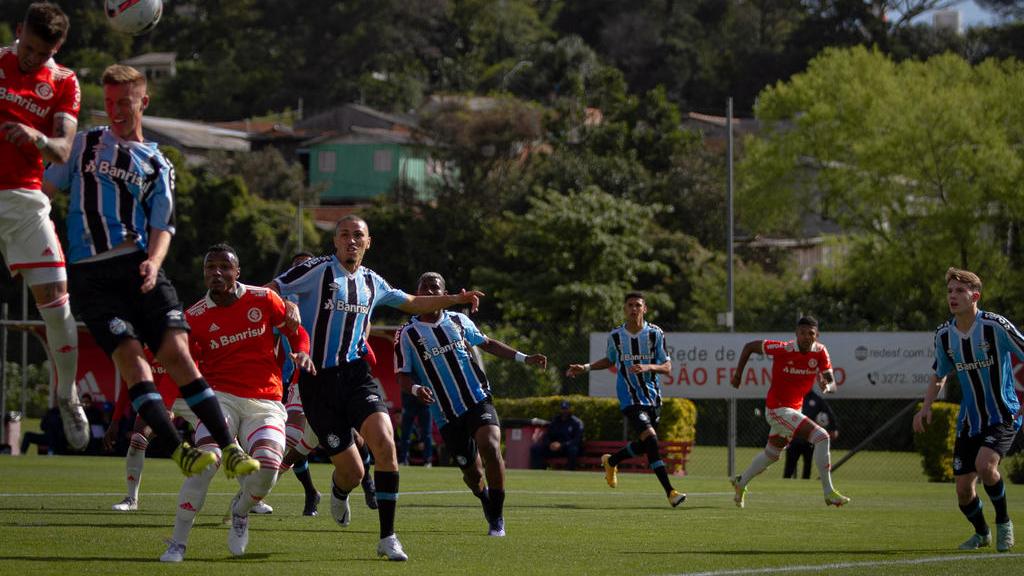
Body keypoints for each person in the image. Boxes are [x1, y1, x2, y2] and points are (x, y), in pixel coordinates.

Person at [43, 64, 260, 479]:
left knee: (177, 356)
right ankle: (179, 451)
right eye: (108, 103)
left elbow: (164, 226)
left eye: (123, 102)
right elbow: (45, 194)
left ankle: (230, 448)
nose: (115, 111)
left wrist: (154, 262)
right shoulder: (84, 145)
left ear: (144, 101)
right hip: (91, 277)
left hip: (139, 267)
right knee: (131, 360)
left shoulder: (158, 163)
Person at [269, 215, 484, 561]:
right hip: (318, 382)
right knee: (351, 472)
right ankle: (340, 491)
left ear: (368, 242)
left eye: (358, 236)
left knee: (385, 445)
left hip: (356, 375)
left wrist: (454, 299)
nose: (351, 241)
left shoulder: (373, 281)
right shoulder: (316, 270)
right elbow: (271, 290)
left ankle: (388, 537)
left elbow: (413, 302)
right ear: (335, 242)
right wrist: (288, 303)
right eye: (344, 235)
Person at [160, 244, 314, 562]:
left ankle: (241, 509)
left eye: (224, 267)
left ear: (237, 272)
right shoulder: (195, 317)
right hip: (220, 398)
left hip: (266, 400)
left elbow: (296, 332)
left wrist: (302, 350)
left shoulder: (263, 299)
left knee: (269, 469)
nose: (216, 273)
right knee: (207, 462)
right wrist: (163, 404)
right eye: (210, 267)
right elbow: (179, 365)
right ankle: (177, 543)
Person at [395, 272, 547, 537]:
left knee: (490, 445)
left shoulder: (458, 320)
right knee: (473, 475)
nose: (430, 292)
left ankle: (497, 518)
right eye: (425, 288)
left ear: (444, 293)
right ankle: (485, 499)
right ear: (417, 293)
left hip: (477, 399)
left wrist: (524, 358)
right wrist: (416, 388)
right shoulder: (407, 334)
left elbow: (487, 343)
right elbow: (402, 375)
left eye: (435, 287)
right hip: (445, 413)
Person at [0, 2, 88, 451]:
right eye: (28, 47)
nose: (32, 58)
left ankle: (67, 393)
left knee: (56, 302)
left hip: (24, 200)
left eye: (42, 52)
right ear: (18, 31)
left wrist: (35, 137)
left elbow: (63, 150)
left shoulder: (63, 82)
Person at [913, 267, 1021, 553]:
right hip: (970, 421)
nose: (953, 296)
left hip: (1002, 414)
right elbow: (939, 373)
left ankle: (1004, 523)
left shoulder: (994, 326)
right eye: (949, 291)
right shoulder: (944, 335)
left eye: (959, 290)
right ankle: (982, 532)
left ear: (975, 296)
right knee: (963, 491)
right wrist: (926, 407)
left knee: (987, 467)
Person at [276, 251, 377, 516]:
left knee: (353, 434)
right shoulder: (285, 301)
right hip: (295, 380)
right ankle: (309, 491)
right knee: (298, 440)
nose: (303, 271)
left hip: (330, 375)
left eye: (307, 266)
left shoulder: (327, 294)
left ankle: (365, 480)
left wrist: (357, 343)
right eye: (298, 268)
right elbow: (273, 337)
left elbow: (359, 320)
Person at [565, 292, 686, 508]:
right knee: (651, 439)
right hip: (629, 398)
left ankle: (611, 461)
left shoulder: (655, 334)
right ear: (624, 309)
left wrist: (649, 366)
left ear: (644, 309)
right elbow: (609, 360)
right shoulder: (616, 336)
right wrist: (585, 367)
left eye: (637, 305)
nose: (633, 309)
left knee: (643, 445)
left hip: (653, 397)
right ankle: (671, 492)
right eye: (629, 305)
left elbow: (667, 367)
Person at [729, 316, 848, 509]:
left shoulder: (820, 352)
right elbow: (750, 346)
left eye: (811, 333)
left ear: (816, 335)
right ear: (796, 334)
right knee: (822, 436)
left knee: (772, 455)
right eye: (802, 333)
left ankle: (740, 483)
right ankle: (829, 492)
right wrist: (737, 375)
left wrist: (826, 386)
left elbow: (831, 383)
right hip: (777, 409)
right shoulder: (783, 348)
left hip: (793, 410)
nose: (806, 337)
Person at [783, 389, 838, 480]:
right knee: (789, 466)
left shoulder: (817, 399)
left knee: (807, 465)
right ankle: (785, 484)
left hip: (809, 439)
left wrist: (834, 429)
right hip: (794, 438)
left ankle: (804, 486)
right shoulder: (794, 397)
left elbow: (829, 414)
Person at [530, 400, 584, 471]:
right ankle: (538, 471)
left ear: (570, 409)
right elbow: (547, 435)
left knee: (573, 450)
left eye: (566, 409)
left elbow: (577, 440)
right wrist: (550, 444)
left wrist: (561, 445)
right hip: (554, 448)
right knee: (535, 449)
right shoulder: (555, 421)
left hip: (567, 449)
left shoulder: (576, 423)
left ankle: (570, 472)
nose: (564, 411)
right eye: (563, 409)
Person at [397, 389, 434, 467]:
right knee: (405, 434)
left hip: (424, 404)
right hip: (409, 404)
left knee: (426, 433)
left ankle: (427, 461)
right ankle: (403, 460)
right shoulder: (406, 377)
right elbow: (403, 383)